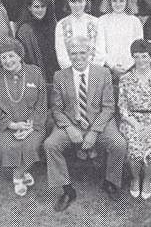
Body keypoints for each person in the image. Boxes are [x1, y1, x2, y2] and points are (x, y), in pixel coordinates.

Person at [44, 36, 127, 212]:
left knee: (119, 144)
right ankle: (67, 190)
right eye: (74, 53)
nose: (78, 57)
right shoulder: (60, 76)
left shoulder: (103, 73)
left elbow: (108, 107)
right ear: (68, 54)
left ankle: (110, 181)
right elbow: (57, 109)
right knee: (50, 145)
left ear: (90, 53)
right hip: (71, 123)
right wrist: (69, 128)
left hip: (99, 122)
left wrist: (94, 132)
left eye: (83, 52)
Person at [0, 38, 48, 197]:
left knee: (30, 145)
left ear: (20, 56)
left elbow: (41, 104)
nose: (8, 61)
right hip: (5, 126)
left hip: (32, 124)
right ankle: (22, 172)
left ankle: (18, 175)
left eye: (11, 56)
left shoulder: (35, 72)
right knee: (8, 146)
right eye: (3, 58)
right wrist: (12, 125)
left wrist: (30, 127)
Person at [118, 39, 151, 200]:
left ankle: (147, 180)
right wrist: (137, 125)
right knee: (134, 147)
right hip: (132, 120)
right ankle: (135, 179)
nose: (141, 60)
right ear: (132, 58)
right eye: (137, 56)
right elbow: (123, 108)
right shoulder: (125, 79)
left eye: (144, 56)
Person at [95, 0, 143, 77]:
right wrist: (112, 66)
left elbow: (138, 48)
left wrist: (127, 66)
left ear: (127, 2)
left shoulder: (135, 21)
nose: (118, 4)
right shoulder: (102, 20)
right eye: (114, 1)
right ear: (109, 2)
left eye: (121, 1)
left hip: (130, 69)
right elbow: (100, 48)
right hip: (107, 69)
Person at [16, 0, 59, 83]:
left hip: (55, 73)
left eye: (43, 6)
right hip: (36, 77)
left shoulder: (53, 25)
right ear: (29, 8)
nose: (40, 10)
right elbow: (24, 59)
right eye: (36, 7)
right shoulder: (24, 30)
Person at [55, 0, 100, 69]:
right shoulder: (61, 25)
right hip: (70, 71)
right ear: (68, 3)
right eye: (73, 2)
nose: (77, 5)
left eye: (80, 1)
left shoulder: (96, 22)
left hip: (93, 71)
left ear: (86, 2)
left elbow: (100, 50)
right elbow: (61, 53)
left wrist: (91, 70)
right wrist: (72, 70)